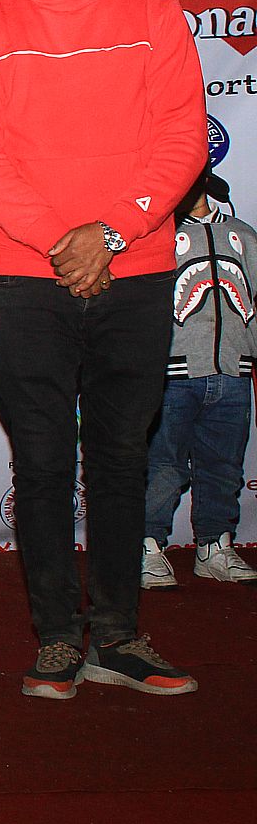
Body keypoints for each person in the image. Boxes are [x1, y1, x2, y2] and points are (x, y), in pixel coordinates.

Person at [0, 0, 207, 700]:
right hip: (28, 277)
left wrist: (114, 231)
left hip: (136, 267)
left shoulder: (154, 12)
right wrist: (65, 242)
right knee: (43, 459)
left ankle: (121, 635)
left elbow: (183, 136)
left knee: (123, 456)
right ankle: (58, 638)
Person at [141, 171, 257, 588]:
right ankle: (147, 546)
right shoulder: (156, 235)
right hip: (171, 372)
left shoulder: (243, 234)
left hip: (233, 370)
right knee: (162, 464)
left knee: (224, 466)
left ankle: (214, 545)